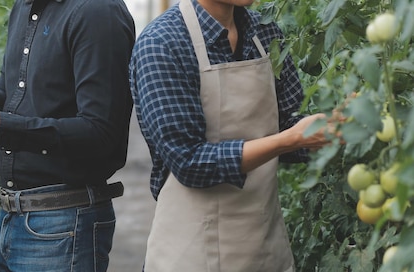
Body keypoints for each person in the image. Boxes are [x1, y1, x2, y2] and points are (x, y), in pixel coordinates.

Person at [0, 0, 135, 271]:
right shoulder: (24, 7)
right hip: (10, 218)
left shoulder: (97, 11)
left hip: (64, 221)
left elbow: (101, 132)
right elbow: (15, 104)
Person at [129, 0, 340, 271]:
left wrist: (335, 128)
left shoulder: (265, 33)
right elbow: (189, 162)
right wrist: (291, 139)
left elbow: (288, 123)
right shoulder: (162, 43)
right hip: (191, 253)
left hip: (264, 248)